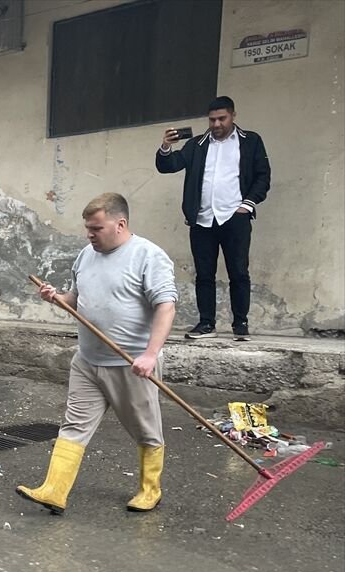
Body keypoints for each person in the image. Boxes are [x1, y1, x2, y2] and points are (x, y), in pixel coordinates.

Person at [16, 192, 176, 515]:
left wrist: (150, 354)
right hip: (88, 361)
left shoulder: (148, 256)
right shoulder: (86, 256)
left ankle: (150, 489)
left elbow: (166, 306)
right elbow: (77, 299)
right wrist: (56, 298)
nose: (89, 235)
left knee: (145, 428)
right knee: (73, 425)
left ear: (121, 224)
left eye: (96, 228)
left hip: (130, 364)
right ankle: (54, 490)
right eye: (87, 228)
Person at [155, 96, 271, 342]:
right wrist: (166, 147)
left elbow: (263, 176)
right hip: (202, 219)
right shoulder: (197, 144)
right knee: (204, 274)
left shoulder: (251, 141)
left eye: (222, 118)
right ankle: (206, 323)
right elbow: (169, 166)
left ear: (233, 116)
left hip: (235, 217)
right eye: (212, 119)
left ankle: (240, 324)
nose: (216, 124)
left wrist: (247, 205)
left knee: (238, 271)